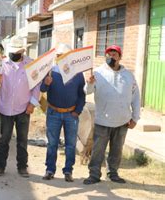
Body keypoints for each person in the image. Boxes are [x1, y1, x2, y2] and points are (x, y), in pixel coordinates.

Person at [83, 45, 140, 185]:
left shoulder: (128, 75)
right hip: (103, 120)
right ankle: (94, 175)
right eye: (109, 54)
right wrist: (89, 83)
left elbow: (136, 97)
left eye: (115, 54)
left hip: (122, 121)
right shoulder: (97, 73)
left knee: (116, 150)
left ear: (120, 57)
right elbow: (87, 91)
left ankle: (112, 174)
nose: (112, 57)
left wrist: (135, 117)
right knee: (98, 150)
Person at [0, 35, 40, 178]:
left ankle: (22, 167)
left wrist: (32, 103)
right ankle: (0, 166)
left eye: (16, 52)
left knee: (22, 139)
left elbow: (36, 85)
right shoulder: (2, 63)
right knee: (4, 138)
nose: (13, 54)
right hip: (5, 107)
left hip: (24, 108)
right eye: (12, 52)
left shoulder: (31, 64)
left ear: (22, 52)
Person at [40, 43, 86, 182]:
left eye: (64, 56)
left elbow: (81, 95)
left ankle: (68, 171)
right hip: (53, 112)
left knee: (70, 144)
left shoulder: (77, 74)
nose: (61, 58)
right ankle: (50, 170)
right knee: (52, 143)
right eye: (59, 56)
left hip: (70, 114)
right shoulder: (51, 71)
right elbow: (42, 89)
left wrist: (77, 111)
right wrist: (46, 83)